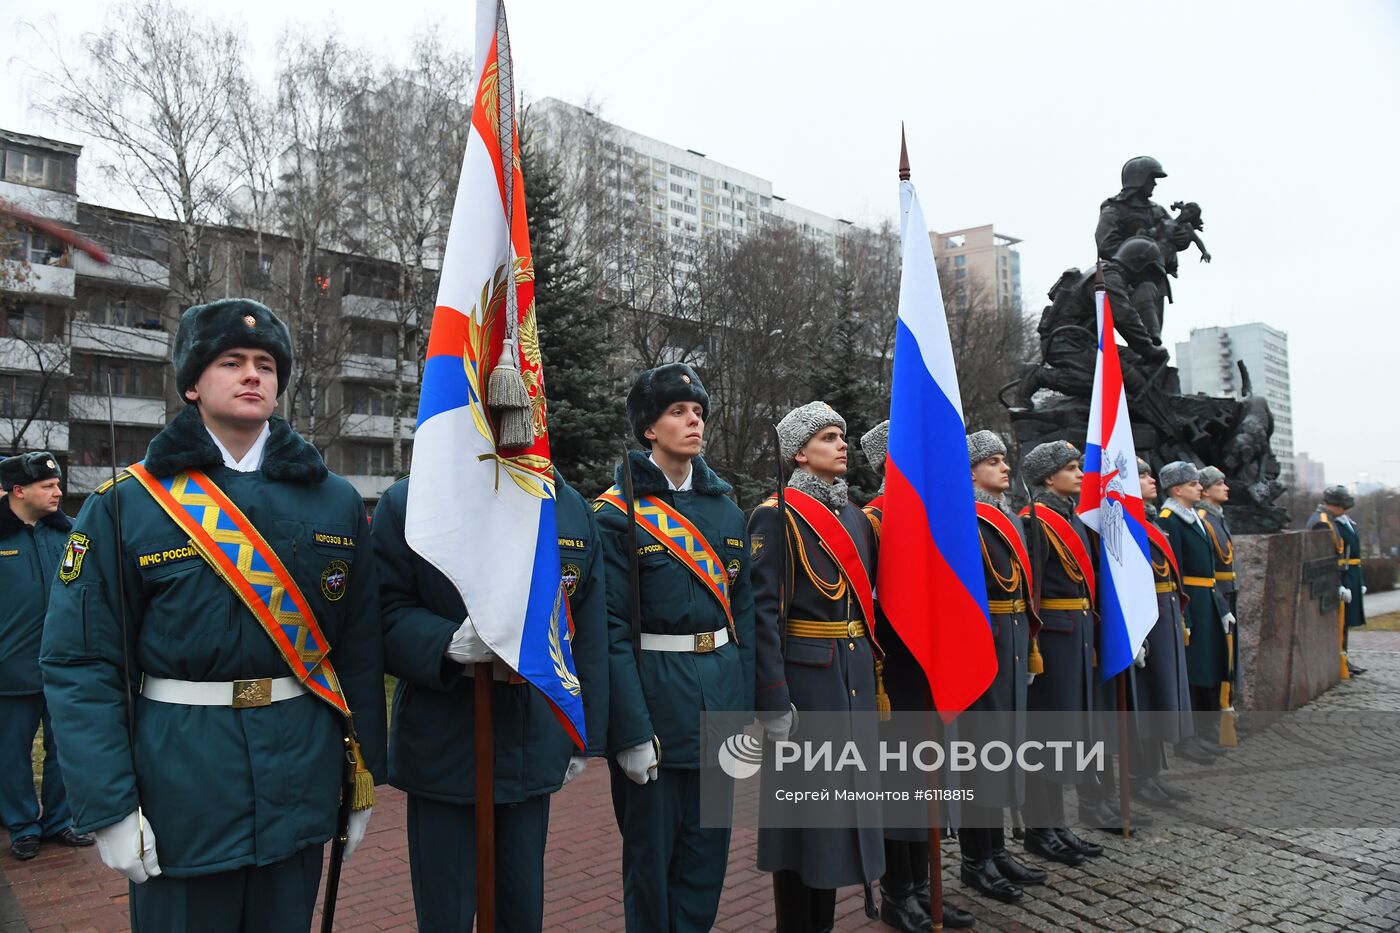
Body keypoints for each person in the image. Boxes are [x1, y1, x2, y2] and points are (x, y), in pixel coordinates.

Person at [41, 299, 387, 932]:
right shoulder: (128, 506)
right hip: (182, 784)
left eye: (265, 364)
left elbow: (358, 653)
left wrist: (361, 777)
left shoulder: (334, 501)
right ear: (193, 384)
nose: (251, 375)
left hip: (299, 777)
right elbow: (81, 663)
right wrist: (109, 806)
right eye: (231, 361)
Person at [371, 465, 610, 932]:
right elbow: (381, 613)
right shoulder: (411, 501)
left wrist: (583, 734)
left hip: (531, 739)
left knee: (521, 914)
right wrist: (445, 642)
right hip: (444, 743)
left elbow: (588, 630)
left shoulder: (568, 506)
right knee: (447, 917)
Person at [594, 363, 755, 933]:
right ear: (648, 428)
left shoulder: (727, 511)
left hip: (720, 704)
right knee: (651, 862)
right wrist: (630, 732)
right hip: (657, 707)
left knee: (706, 859)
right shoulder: (616, 516)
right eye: (678, 412)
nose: (695, 422)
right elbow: (608, 632)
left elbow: (746, 618)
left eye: (699, 413)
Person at [749, 401, 884, 933]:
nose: (842, 445)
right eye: (829, 437)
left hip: (850, 676)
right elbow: (763, 615)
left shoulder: (855, 517)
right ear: (800, 454)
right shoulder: (775, 514)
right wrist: (773, 697)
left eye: (842, 437)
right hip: (806, 682)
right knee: (802, 822)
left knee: (836, 816)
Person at [859, 421, 974, 932]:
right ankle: (898, 892)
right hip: (895, 672)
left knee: (926, 783)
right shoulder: (872, 520)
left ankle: (926, 888)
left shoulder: (932, 515)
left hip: (929, 666)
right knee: (899, 785)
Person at [959, 431, 1048, 903]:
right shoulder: (967, 519)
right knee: (981, 753)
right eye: (992, 461)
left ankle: (995, 851)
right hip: (984, 644)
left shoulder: (1004, 518)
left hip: (1010, 640)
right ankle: (976, 860)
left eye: (1003, 459)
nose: (1004, 468)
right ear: (971, 471)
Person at [0, 452, 92, 860]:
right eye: (48, 486)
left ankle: (59, 820)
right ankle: (22, 826)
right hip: (9, 671)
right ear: (19, 491)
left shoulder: (71, 534)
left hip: (65, 669)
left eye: (57, 485)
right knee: (10, 754)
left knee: (67, 749)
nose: (58, 492)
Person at [1017, 441, 1102, 865]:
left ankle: (1056, 825)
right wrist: (1032, 646)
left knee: (1065, 736)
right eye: (1071, 468)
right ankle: (1039, 827)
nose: (1080, 474)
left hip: (1076, 635)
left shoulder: (1072, 518)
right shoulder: (1035, 521)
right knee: (1046, 737)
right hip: (1052, 638)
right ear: (1048, 478)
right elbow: (1031, 589)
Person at [1156, 461, 1232, 758]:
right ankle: (1191, 736)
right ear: (1177, 489)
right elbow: (1175, 570)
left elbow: (1210, 567)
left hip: (1207, 599)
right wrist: (1183, 614)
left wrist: (1221, 606)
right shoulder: (1170, 519)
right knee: (1194, 670)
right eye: (1192, 484)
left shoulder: (1193, 516)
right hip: (1190, 601)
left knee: (1210, 664)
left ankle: (1207, 727)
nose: (1200, 487)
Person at [1130, 459, 1195, 798]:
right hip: (1146, 621)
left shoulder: (1151, 521)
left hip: (1164, 614)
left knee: (1160, 697)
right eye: (1141, 475)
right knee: (1145, 697)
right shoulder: (1127, 523)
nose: (1151, 479)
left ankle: (1153, 772)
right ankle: (1138, 776)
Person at [1309, 486, 1367, 676]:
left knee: (1344, 622)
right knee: (1338, 623)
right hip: (1338, 578)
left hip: (1349, 575)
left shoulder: (1335, 520)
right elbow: (1326, 559)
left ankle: (1343, 658)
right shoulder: (1323, 522)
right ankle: (1340, 660)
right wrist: (1339, 583)